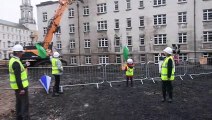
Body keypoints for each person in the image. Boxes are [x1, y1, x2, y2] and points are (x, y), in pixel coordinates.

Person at [9, 44, 30, 120]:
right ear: (18, 53)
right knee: (24, 104)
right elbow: (18, 77)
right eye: (22, 52)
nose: (22, 53)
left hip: (17, 87)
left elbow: (18, 69)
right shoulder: (16, 62)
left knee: (19, 103)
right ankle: (25, 118)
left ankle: (19, 117)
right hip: (21, 87)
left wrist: (25, 65)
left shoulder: (13, 60)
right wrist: (21, 89)